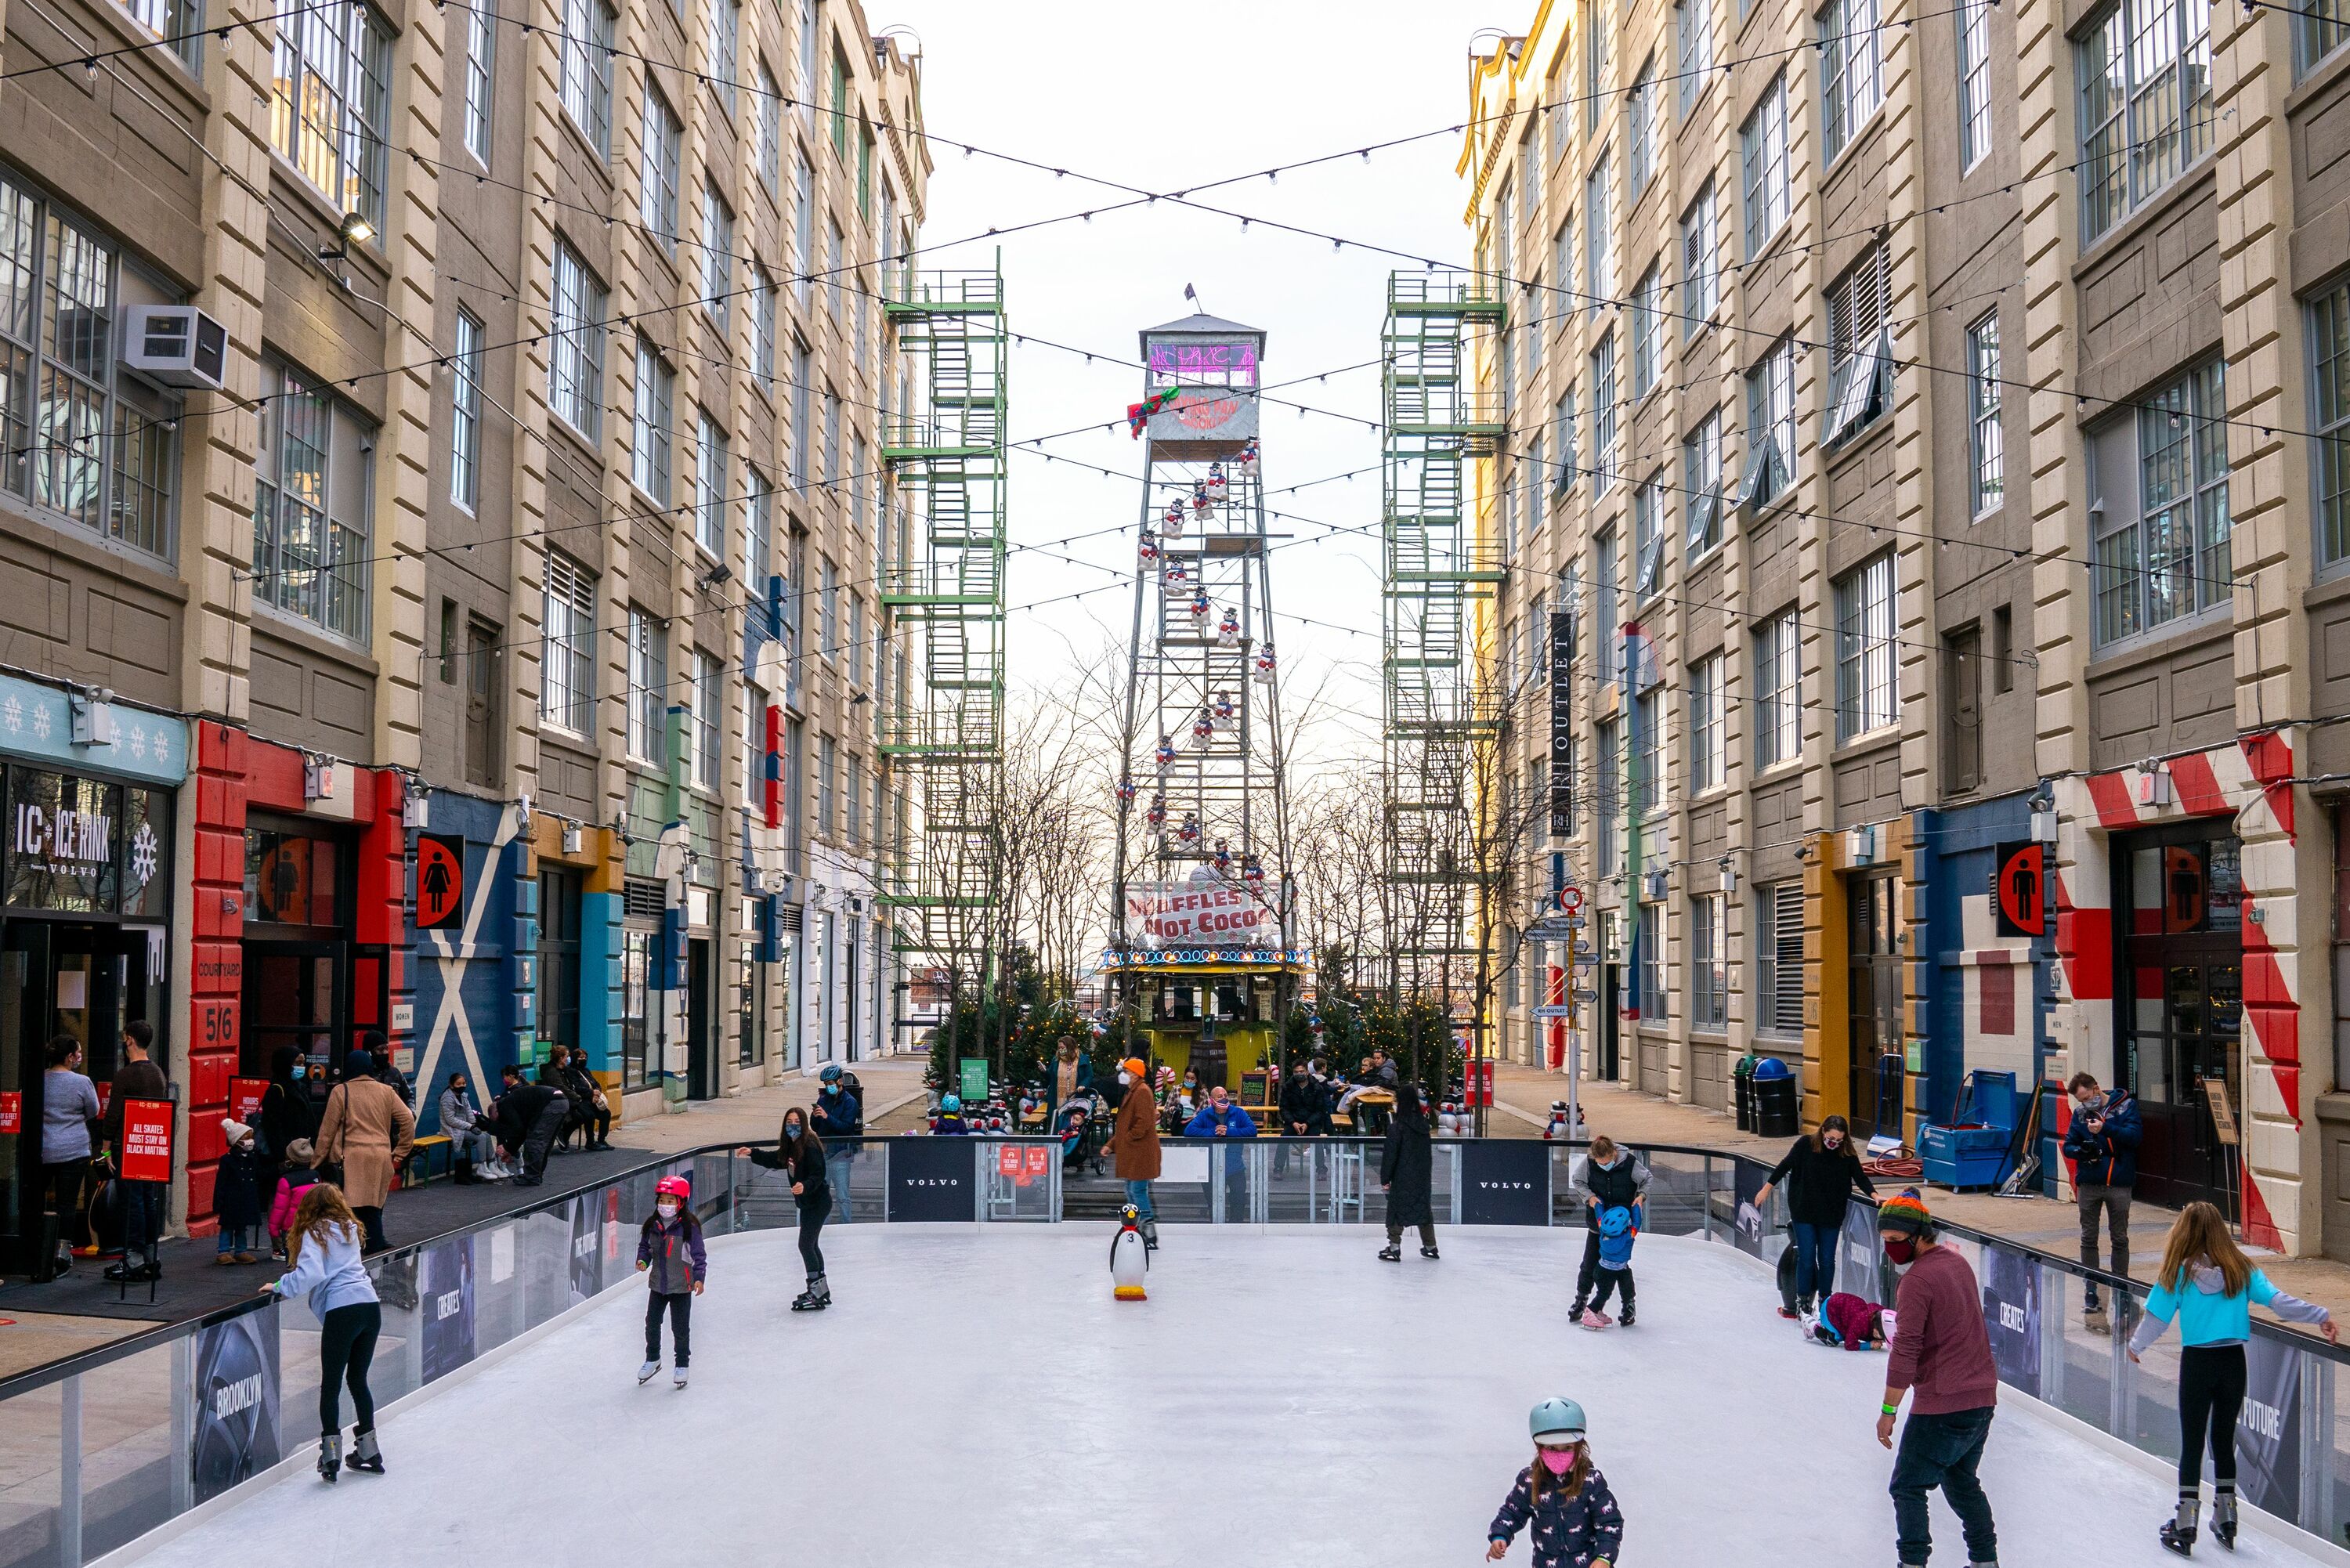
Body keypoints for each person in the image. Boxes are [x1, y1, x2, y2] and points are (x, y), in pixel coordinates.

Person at [2128, 1200, 2337, 1552]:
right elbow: (2279, 1302)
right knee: (2224, 1439)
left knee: (2193, 1442)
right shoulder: (2241, 1269)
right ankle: (2226, 1516)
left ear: (2185, 1232)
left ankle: (2185, 1521)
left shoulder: (2177, 1272)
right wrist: (2320, 1315)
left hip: (2197, 1363)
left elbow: (2157, 1318)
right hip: (2232, 1363)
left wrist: (2136, 1346)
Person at [1875, 1193, 2001, 1568]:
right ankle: (1985, 1561)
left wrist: (1888, 1409)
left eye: (1897, 1241)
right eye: (1885, 1241)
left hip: (1944, 1403)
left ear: (1920, 1235)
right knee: (1961, 1480)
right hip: (1981, 1398)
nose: (1890, 1249)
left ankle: (1912, 1563)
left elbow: (1906, 1350)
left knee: (1908, 1486)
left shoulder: (1916, 1282)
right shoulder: (1957, 1264)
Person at [263, 1183, 384, 1483]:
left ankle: (330, 1455)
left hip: (343, 1309)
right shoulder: (350, 1229)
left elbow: (311, 1274)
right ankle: (369, 1451)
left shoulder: (313, 1233)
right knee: (357, 1379)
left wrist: (280, 1287)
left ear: (309, 1208)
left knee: (331, 1385)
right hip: (369, 1305)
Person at [1752, 1114, 1877, 1318]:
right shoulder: (1805, 1145)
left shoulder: (1846, 1153)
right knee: (1807, 1256)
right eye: (1830, 1139)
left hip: (1831, 1212)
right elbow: (1785, 1165)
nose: (1833, 1144)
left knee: (1827, 1260)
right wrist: (1767, 1188)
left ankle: (1826, 1301)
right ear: (1822, 1132)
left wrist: (1874, 1194)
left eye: (1838, 1141)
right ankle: (1803, 1301)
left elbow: (1860, 1176)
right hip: (1804, 1210)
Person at [1484, 1397, 1624, 1567]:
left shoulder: (1591, 1481)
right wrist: (1500, 1535)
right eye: (1551, 1448)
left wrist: (1603, 1558)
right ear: (1539, 1447)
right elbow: (1512, 1512)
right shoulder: (1530, 1481)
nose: (1559, 1454)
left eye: (1567, 1448)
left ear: (1579, 1446)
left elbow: (1609, 1522)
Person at [313, 1048, 415, 1253]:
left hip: (350, 1158)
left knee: (350, 1209)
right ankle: (375, 1248)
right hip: (381, 1157)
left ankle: (353, 1252)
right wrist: (401, 1152)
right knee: (374, 1208)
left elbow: (327, 1132)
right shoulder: (386, 1091)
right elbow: (408, 1120)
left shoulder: (341, 1091)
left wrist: (315, 1163)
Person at [2062, 1071, 2141, 1335]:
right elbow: (2068, 1145)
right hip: (2090, 1182)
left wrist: (2105, 1128)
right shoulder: (2080, 1114)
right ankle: (2091, 1289)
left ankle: (2121, 1287)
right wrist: (2081, 1151)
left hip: (2118, 1182)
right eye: (2081, 1101)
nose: (2086, 1105)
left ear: (2096, 1089)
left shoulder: (2126, 1106)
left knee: (2119, 1237)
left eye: (2087, 1098)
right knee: (2088, 1237)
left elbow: (2134, 1138)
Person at [743, 1107, 831, 1310]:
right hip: (808, 1203)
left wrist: (805, 1185)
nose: (793, 1126)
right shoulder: (792, 1146)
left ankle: (816, 1290)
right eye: (789, 1122)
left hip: (817, 1202)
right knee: (811, 1244)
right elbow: (776, 1159)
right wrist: (752, 1153)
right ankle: (820, 1288)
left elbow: (819, 1173)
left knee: (806, 1245)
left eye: (797, 1122)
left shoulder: (810, 1145)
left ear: (804, 1124)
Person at [103, 1021, 171, 1284]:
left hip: (128, 1144)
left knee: (131, 1202)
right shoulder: (157, 1073)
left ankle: (133, 1258)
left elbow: (114, 1114)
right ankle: (150, 1256)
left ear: (129, 1040)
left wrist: (106, 1148)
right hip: (152, 1145)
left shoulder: (125, 1075)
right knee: (148, 1200)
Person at [1568, 1136, 1650, 1328]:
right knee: (1589, 1264)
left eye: (1607, 1162)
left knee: (1620, 1267)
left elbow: (1647, 1179)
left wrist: (1641, 1196)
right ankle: (1582, 1300)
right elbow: (1578, 1180)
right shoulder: (1589, 1162)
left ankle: (1628, 1306)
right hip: (1598, 1225)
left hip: (1622, 1227)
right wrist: (1589, 1198)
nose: (1603, 1165)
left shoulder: (1629, 1163)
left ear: (1614, 1153)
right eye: (1600, 1163)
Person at [38, 1035, 101, 1276]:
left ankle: (36, 1245)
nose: (80, 1057)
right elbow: (93, 1110)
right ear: (69, 1057)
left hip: (44, 1148)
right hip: (73, 1150)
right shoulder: (82, 1082)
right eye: (78, 1053)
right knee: (67, 1203)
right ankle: (62, 1252)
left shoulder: (41, 1079)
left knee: (36, 1198)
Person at [636, 1174, 706, 1387]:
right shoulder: (652, 1225)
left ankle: (682, 1364)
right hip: (658, 1284)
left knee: (680, 1327)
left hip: (681, 1286)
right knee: (652, 1323)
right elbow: (645, 1247)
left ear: (681, 1202)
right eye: (662, 1200)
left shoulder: (688, 1227)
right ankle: (652, 1358)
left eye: (670, 1201)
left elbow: (698, 1255)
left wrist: (699, 1278)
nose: (665, 1205)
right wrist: (642, 1261)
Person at [1105, 1056, 1162, 1250]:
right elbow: (1126, 1126)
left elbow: (1143, 1123)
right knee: (1131, 1190)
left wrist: (1126, 1140)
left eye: (1127, 1072)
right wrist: (1112, 1144)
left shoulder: (1143, 1092)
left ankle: (1147, 1230)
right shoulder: (1134, 1092)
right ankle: (1136, 1226)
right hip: (1134, 1152)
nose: (1124, 1075)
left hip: (1140, 1152)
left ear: (1137, 1075)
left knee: (1137, 1191)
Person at [1379, 1082, 1437, 1262]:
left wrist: (1385, 1178)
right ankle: (1430, 1246)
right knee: (1423, 1209)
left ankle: (1394, 1247)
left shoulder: (1397, 1127)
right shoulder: (1423, 1127)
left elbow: (1390, 1155)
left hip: (1402, 1177)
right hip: (1421, 1176)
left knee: (1396, 1211)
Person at [256, 1044, 316, 1204]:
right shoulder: (277, 1090)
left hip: (302, 1152)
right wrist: (283, 1156)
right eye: (298, 1063)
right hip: (287, 1156)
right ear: (286, 1064)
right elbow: (273, 1127)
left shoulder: (299, 1088)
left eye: (303, 1063)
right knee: (281, 1198)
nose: (302, 1067)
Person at [493, 1061, 565, 1184]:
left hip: (551, 1104)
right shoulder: (518, 1094)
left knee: (535, 1142)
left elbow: (519, 1130)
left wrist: (506, 1148)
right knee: (544, 1142)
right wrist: (510, 1150)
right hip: (560, 1101)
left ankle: (532, 1177)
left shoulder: (506, 1105)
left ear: (496, 1111)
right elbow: (522, 1131)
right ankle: (536, 1174)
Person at [812, 1064, 863, 1220]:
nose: (828, 1087)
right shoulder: (823, 1100)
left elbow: (846, 1128)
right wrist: (815, 1115)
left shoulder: (850, 1102)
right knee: (822, 1194)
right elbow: (815, 1127)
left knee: (842, 1195)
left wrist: (827, 1117)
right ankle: (822, 1225)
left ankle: (845, 1224)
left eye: (830, 1084)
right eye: (826, 1085)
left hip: (841, 1153)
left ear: (840, 1081)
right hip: (824, 1151)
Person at [436, 1071, 505, 1183]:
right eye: (458, 1084)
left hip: (463, 1127)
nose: (462, 1086)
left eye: (464, 1083)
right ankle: (482, 1167)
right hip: (451, 1129)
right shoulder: (447, 1098)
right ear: (451, 1085)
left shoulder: (463, 1096)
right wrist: (470, 1127)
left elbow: (469, 1113)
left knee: (486, 1136)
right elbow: (450, 1120)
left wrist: (474, 1124)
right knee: (481, 1138)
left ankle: (492, 1165)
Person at [215, 1119, 266, 1264]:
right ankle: (223, 1251)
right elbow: (221, 1182)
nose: (250, 1141)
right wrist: (219, 1202)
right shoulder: (227, 1160)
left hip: (246, 1198)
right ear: (237, 1141)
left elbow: (259, 1174)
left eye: (251, 1138)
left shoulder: (252, 1158)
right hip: (231, 1199)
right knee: (228, 1225)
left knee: (242, 1226)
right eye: (246, 1138)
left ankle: (241, 1250)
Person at [270, 1138, 323, 1259]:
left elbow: (280, 1208)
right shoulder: (315, 1176)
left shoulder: (286, 1180)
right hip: (313, 1224)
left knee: (293, 1261)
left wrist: (274, 1229)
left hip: (291, 1227)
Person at [1810, 1292, 1895, 1351]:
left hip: (1842, 1309)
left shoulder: (1878, 1314)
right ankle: (1814, 1326)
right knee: (1834, 1339)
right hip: (1831, 1310)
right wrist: (1869, 1345)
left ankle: (1820, 1319)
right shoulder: (1861, 1322)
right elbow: (1849, 1344)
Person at [1048, 1037, 1094, 1119]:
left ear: (1069, 1047)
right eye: (1059, 1048)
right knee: (1058, 1122)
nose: (1060, 1050)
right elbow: (1050, 1077)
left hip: (1076, 1096)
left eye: (1062, 1048)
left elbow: (1089, 1075)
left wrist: (1083, 1085)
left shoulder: (1083, 1059)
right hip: (1058, 1097)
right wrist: (1044, 1071)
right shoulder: (1056, 1060)